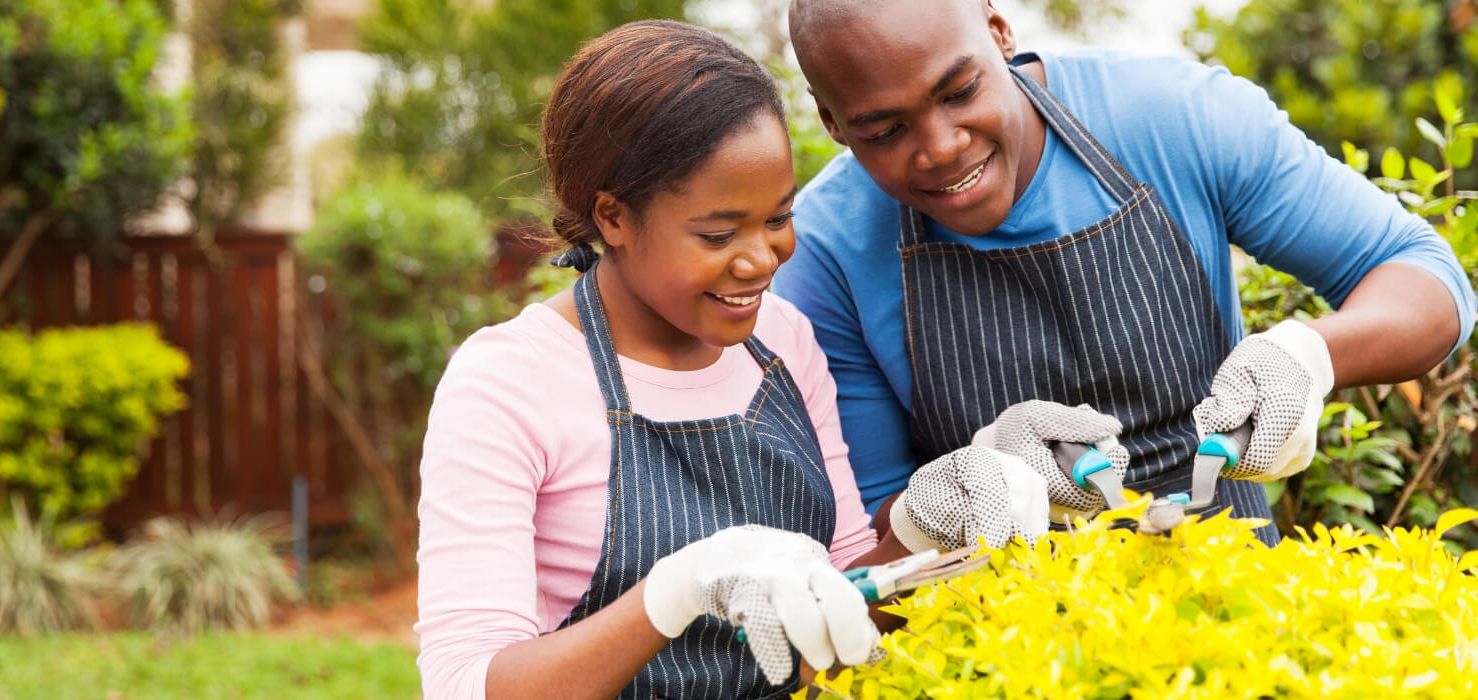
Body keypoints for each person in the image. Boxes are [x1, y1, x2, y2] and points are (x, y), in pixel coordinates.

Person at [415, 19, 1064, 699]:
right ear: (613, 217)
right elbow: (463, 683)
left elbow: (847, 602)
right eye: (719, 233)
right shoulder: (509, 381)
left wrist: (927, 520)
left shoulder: (782, 340)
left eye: (778, 219)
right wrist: (673, 593)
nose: (761, 261)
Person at [777, 0, 1478, 545]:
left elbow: (1427, 277)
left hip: (1245, 611)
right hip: (1001, 650)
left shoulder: (1172, 118)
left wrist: (1312, 355)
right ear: (833, 122)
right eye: (885, 131)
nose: (940, 148)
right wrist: (946, 500)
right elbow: (862, 545)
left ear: (998, 33)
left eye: (959, 92)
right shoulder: (826, 254)